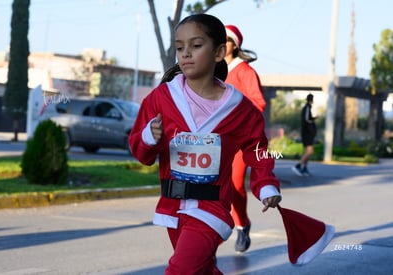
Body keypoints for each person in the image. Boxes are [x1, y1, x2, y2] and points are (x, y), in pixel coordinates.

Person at [128, 14, 282, 275]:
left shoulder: (239, 109)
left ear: (219, 51)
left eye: (196, 45)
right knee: (202, 270)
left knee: (181, 270)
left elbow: (257, 149)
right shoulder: (161, 99)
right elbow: (140, 153)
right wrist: (148, 138)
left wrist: (265, 183)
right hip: (173, 206)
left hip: (211, 209)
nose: (186, 54)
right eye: (179, 47)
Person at [224, 24, 266, 253]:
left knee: (235, 185)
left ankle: (241, 224)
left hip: (239, 140)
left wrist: (236, 119)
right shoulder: (215, 71)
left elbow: (258, 104)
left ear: (234, 45)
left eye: (225, 40)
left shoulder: (245, 72)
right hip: (215, 141)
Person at [292, 93, 317, 176]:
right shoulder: (307, 108)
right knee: (310, 151)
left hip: (307, 133)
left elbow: (307, 119)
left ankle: (304, 168)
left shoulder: (308, 108)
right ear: (311, 99)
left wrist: (313, 118)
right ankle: (298, 166)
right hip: (307, 133)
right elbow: (306, 120)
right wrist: (313, 120)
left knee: (307, 151)